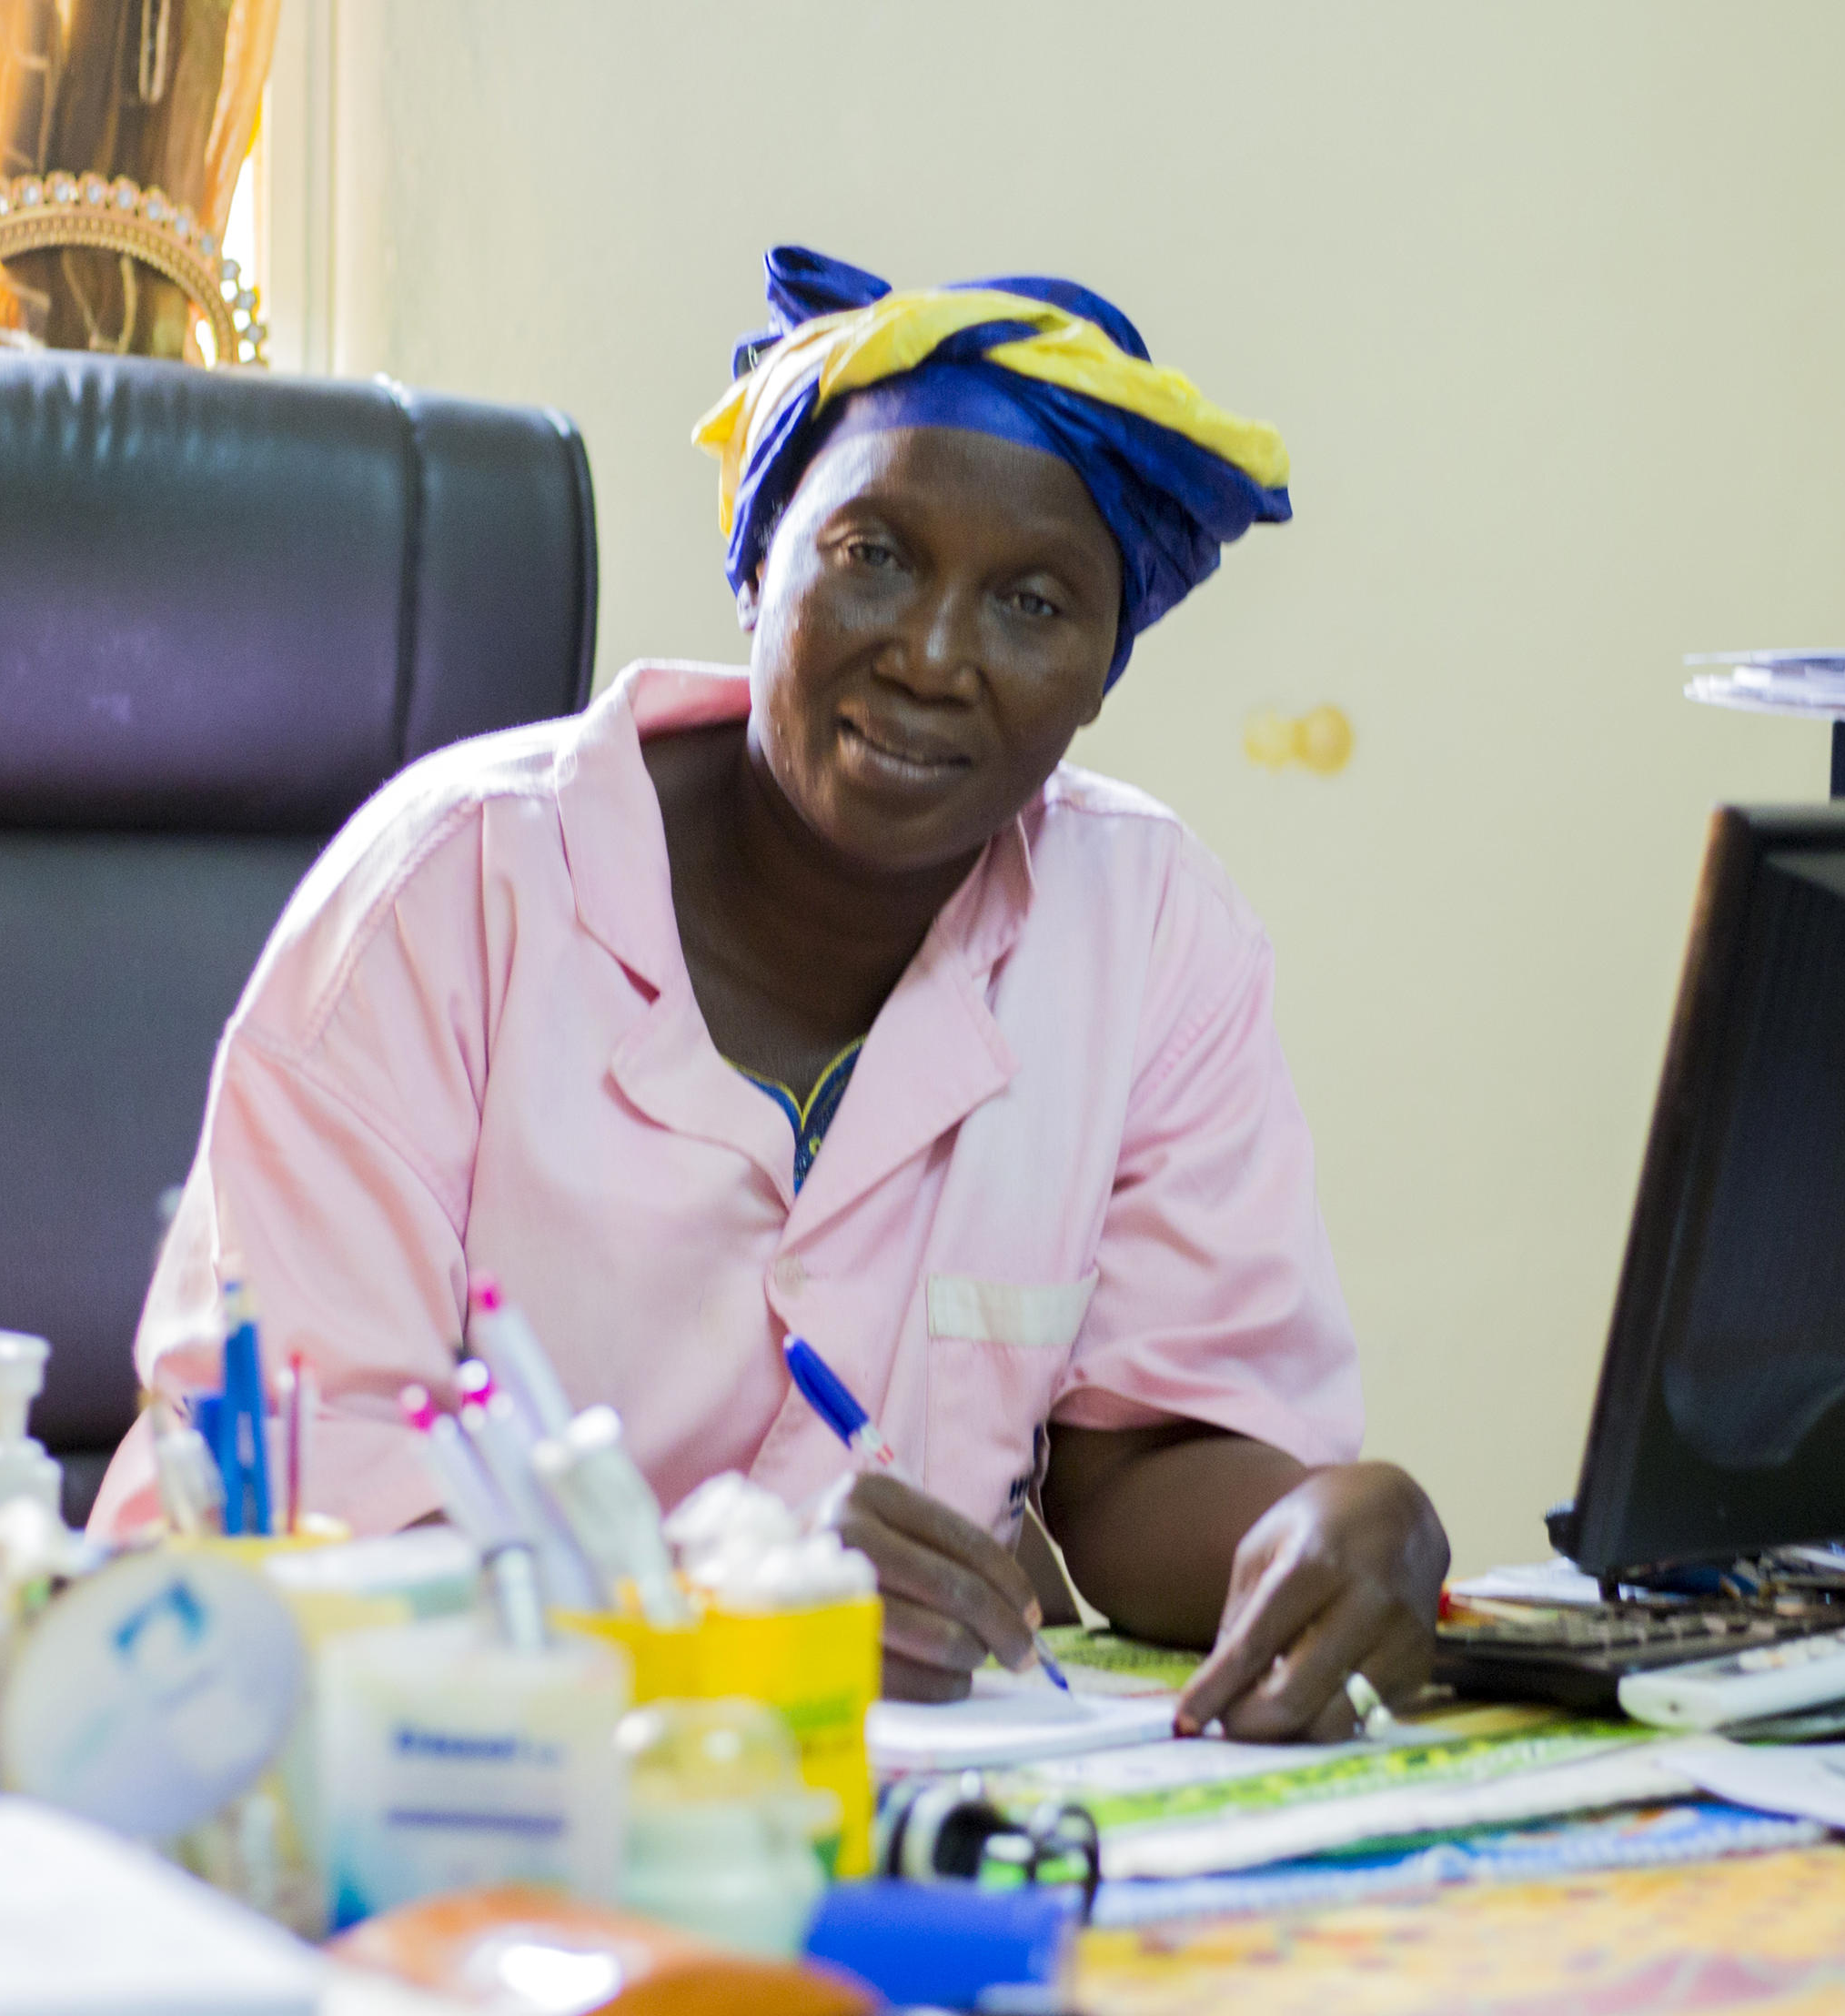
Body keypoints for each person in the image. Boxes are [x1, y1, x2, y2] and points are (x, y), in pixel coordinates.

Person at [96, 246, 1446, 1740]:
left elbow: (1141, 1472)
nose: (935, 656)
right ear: (756, 563)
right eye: (873, 554)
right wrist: (720, 1605)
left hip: (877, 1800)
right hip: (365, 1770)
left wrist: (1326, 1526)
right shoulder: (446, 894)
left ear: (1102, 670)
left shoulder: (1151, 932)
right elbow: (286, 1501)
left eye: (1036, 604)